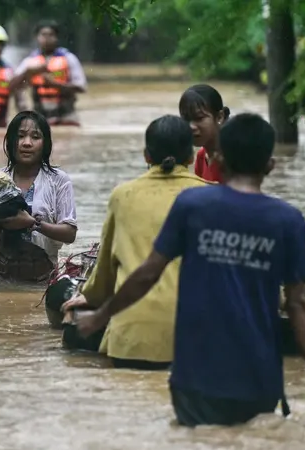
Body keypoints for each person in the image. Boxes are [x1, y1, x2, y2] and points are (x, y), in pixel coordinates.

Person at [76, 113, 305, 426]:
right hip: (257, 376)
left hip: (195, 377)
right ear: (270, 165)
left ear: (218, 158)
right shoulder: (287, 220)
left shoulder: (193, 206)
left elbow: (147, 273)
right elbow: (299, 305)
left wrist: (100, 315)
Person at [61, 115, 204, 370]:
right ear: (191, 156)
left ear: (146, 156)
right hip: (196, 340)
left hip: (132, 339)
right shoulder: (211, 195)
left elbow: (105, 267)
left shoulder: (123, 195)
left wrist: (89, 297)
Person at [0, 111, 78, 283]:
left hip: (43, 276)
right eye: (20, 136)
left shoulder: (59, 180)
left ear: (45, 144)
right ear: (10, 142)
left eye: (35, 137)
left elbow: (69, 233)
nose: (27, 143)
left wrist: (33, 223)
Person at [9, 20, 87, 127]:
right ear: (37, 37)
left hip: (67, 115)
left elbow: (81, 87)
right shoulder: (30, 61)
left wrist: (56, 85)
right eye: (43, 35)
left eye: (51, 35)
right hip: (40, 116)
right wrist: (28, 72)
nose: (47, 39)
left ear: (57, 38)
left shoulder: (69, 58)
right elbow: (12, 86)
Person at [179, 84, 230, 184]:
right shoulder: (202, 156)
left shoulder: (232, 158)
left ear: (220, 117)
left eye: (199, 118)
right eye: (186, 119)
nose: (191, 126)